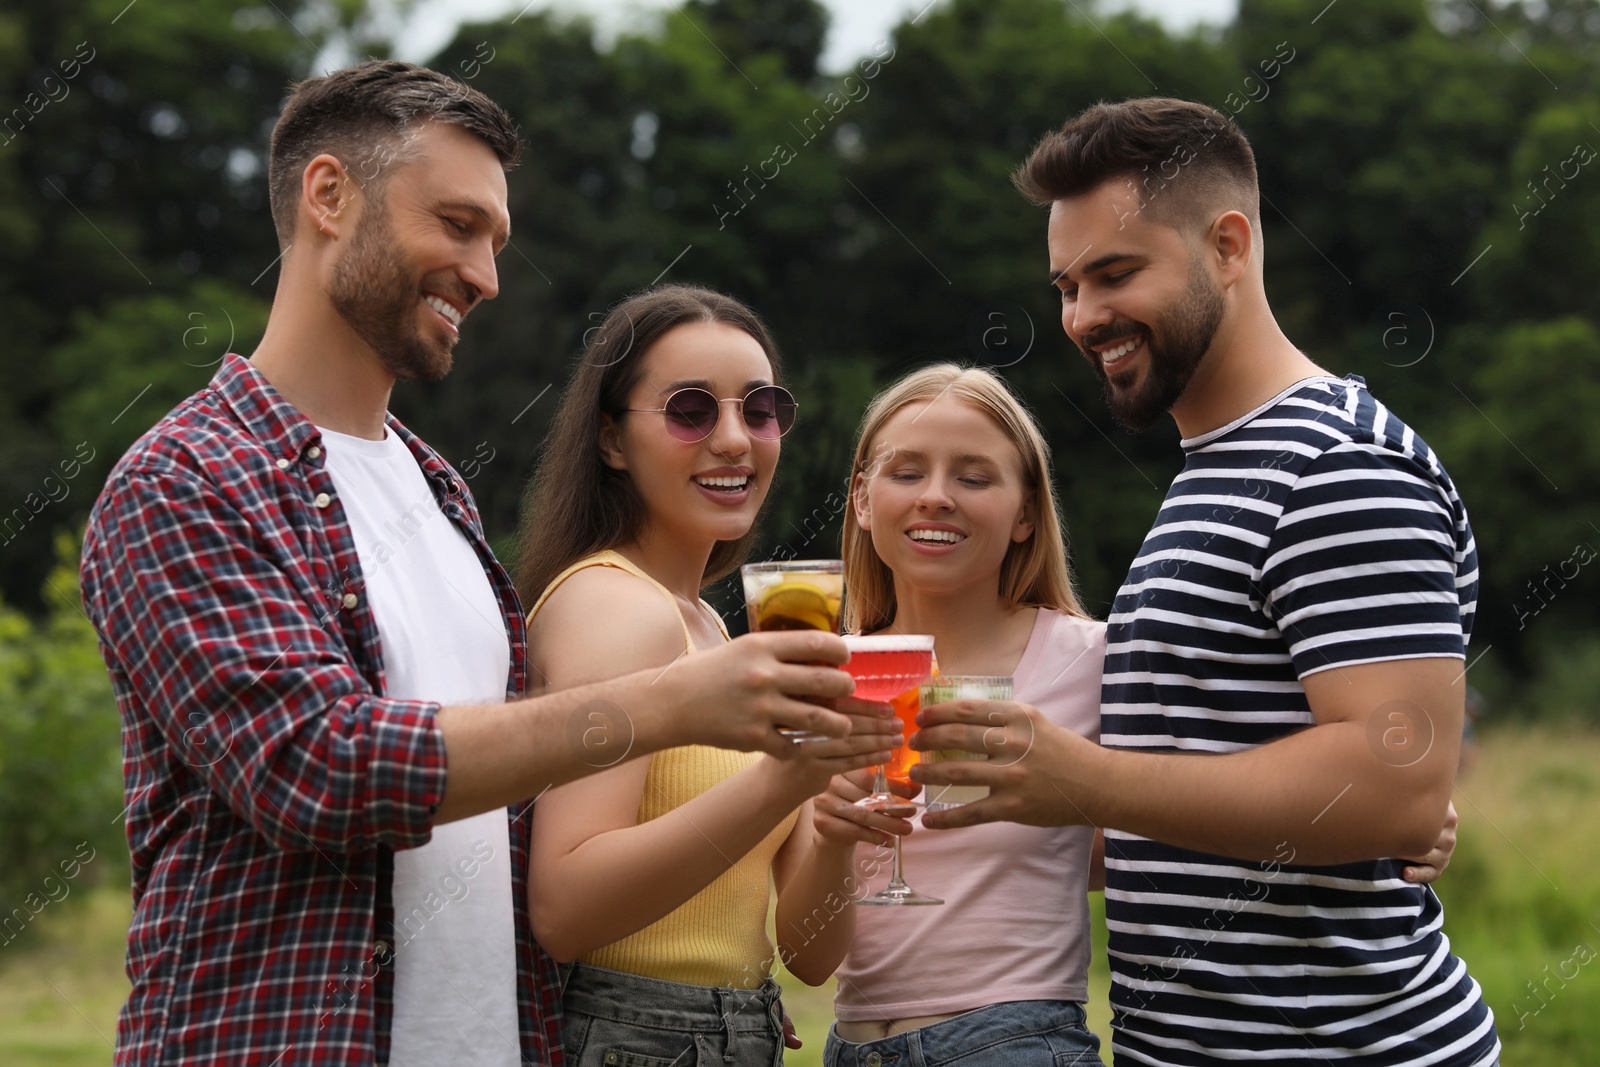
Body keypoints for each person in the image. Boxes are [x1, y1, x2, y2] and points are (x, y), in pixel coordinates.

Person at [80, 62, 859, 1067]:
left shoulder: (437, 488)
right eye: (456, 223)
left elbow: (521, 819)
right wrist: (672, 705)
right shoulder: (186, 478)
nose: (486, 274)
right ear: (328, 195)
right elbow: (320, 767)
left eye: (495, 240)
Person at [913, 97, 1499, 1064]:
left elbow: (1395, 788)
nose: (1082, 316)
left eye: (1114, 273)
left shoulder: (1337, 465)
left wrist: (1085, 780)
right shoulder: (1217, 469)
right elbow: (1197, 803)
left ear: (1229, 245)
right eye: (1065, 285)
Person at [517, 284, 899, 1067]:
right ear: (612, 440)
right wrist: (785, 779)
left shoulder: (708, 626)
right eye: (691, 410)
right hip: (634, 1035)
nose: (735, 439)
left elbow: (812, 957)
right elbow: (565, 903)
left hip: (736, 1027)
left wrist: (833, 817)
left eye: (760, 410)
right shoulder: (616, 607)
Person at [784, 364, 1109, 1066]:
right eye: (906, 473)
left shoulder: (1091, 659)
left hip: (1014, 1042)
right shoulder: (820, 675)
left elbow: (1172, 828)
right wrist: (833, 839)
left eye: (973, 477)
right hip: (853, 1046)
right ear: (863, 501)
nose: (936, 497)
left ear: (1026, 512)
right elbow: (808, 961)